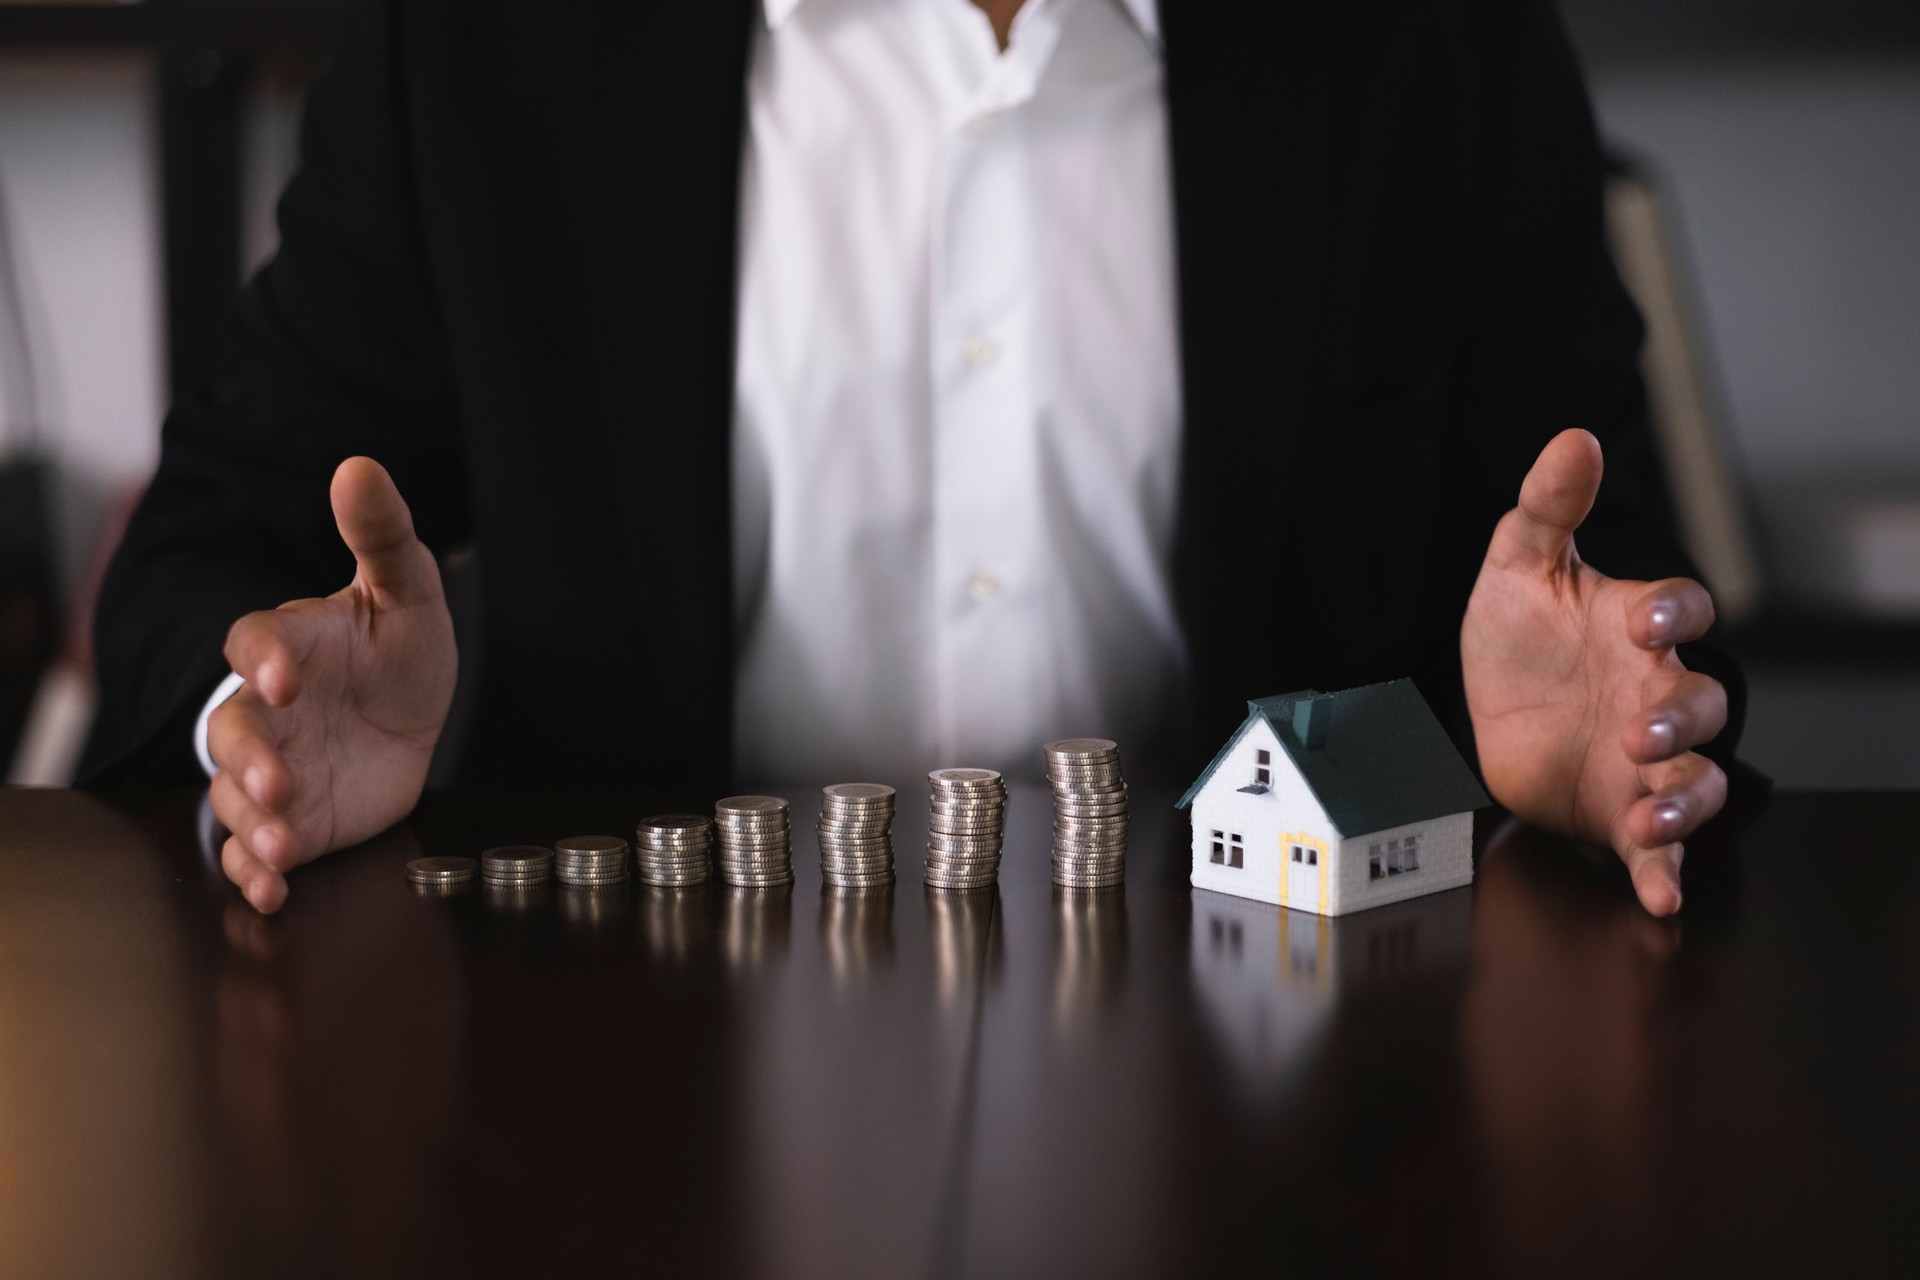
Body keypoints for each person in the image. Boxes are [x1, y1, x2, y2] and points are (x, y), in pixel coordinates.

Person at [84, 0, 1740, 918]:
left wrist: (1593, 773)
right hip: (609, 1100)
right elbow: (202, 568)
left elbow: (1624, 609)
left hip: (1293, 1111)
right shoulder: (487, 47)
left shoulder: (1435, 44)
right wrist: (270, 732)